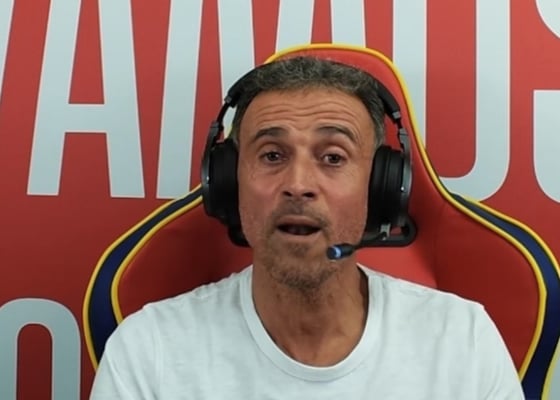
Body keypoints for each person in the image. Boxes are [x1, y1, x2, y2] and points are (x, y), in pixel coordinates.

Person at [89, 55, 525, 399]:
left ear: (379, 187)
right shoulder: (149, 352)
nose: (298, 185)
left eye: (333, 157)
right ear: (228, 182)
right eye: (272, 156)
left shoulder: (462, 342)